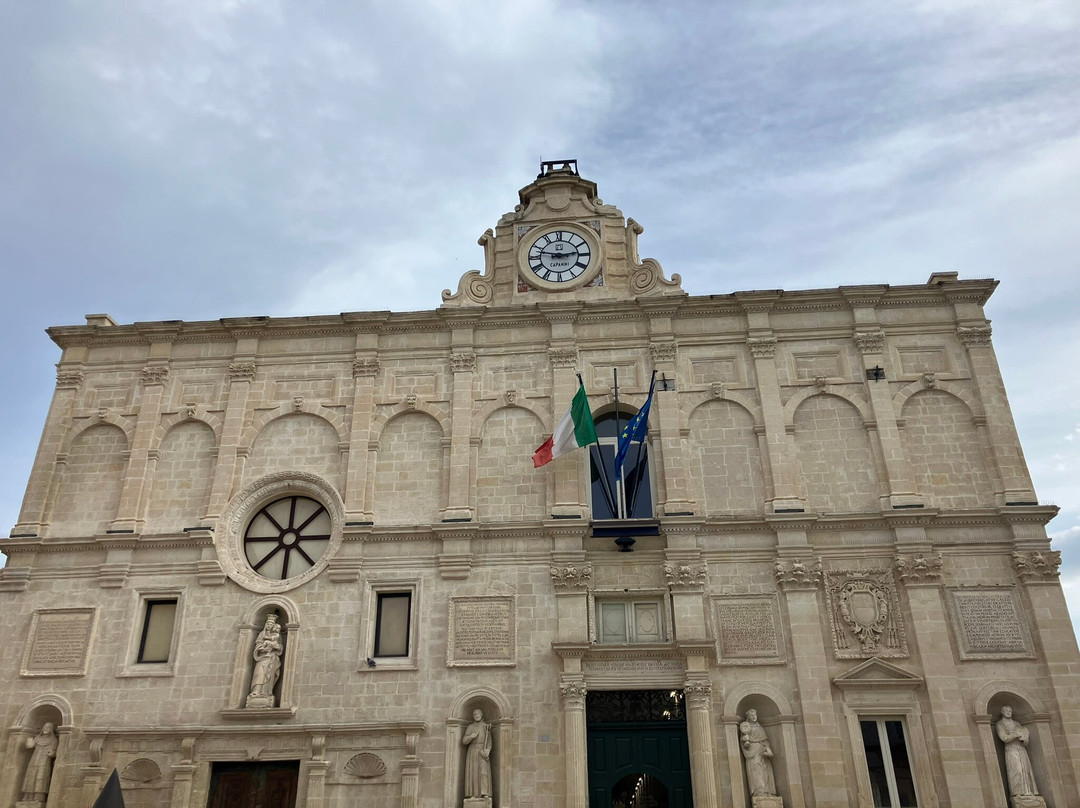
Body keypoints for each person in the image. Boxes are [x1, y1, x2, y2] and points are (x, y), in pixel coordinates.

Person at [996, 705, 1039, 797]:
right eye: (1006, 711)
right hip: (1011, 748)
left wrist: (1024, 737)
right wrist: (1016, 734)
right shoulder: (1000, 724)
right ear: (1002, 712)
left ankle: (1028, 792)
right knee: (1016, 770)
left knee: (1025, 769)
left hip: (1021, 748)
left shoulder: (1017, 724)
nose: (1008, 712)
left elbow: (1024, 739)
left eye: (1010, 711)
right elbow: (1004, 738)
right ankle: (1017, 793)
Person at [247, 614, 283, 705]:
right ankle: (255, 691)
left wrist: (273, 646)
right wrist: (262, 648)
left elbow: (280, 647)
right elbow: (258, 645)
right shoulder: (261, 634)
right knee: (259, 673)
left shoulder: (277, 635)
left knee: (269, 675)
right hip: (262, 658)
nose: (269, 626)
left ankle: (266, 692)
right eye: (267, 624)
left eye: (271, 624)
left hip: (272, 658)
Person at [739, 709, 776, 797]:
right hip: (752, 752)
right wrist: (745, 741)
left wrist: (767, 749)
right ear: (748, 717)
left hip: (762, 752)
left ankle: (767, 791)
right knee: (756, 771)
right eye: (752, 715)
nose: (754, 716)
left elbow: (765, 741)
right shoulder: (746, 728)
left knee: (765, 771)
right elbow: (744, 744)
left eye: (755, 715)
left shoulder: (760, 727)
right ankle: (759, 792)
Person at [20, 722, 59, 802]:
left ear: (51, 730)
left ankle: (38, 797)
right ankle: (28, 796)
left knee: (40, 778)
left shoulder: (53, 740)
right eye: (45, 727)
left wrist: (52, 753)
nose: (46, 729)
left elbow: (53, 752)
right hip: (34, 760)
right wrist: (29, 741)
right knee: (31, 777)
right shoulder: (37, 738)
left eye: (48, 727)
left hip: (44, 762)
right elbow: (30, 746)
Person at [463, 708, 493, 798]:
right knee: (473, 772)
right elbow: (464, 741)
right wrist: (470, 737)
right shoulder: (470, 727)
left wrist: (488, 750)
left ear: (482, 714)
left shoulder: (486, 726)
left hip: (482, 751)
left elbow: (489, 741)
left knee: (483, 772)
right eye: (474, 714)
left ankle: (485, 792)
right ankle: (473, 794)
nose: (476, 716)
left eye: (478, 714)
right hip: (472, 751)